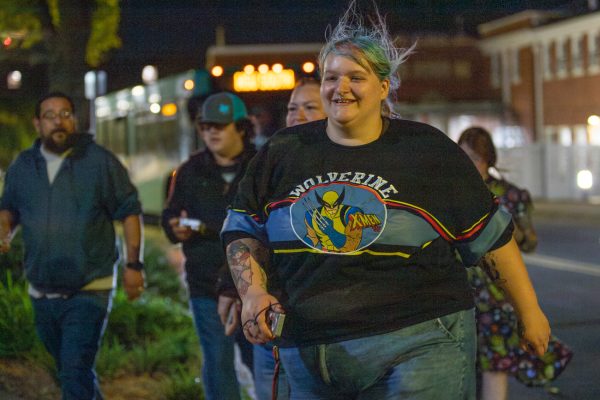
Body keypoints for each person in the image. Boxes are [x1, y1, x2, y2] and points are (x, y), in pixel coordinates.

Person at [221, 2, 551, 399]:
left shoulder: (426, 151)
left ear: (383, 87)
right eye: (331, 77)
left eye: (355, 78)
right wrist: (252, 291)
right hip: (308, 350)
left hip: (417, 345)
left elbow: (490, 239)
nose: (340, 88)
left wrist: (529, 312)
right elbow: (243, 228)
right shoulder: (282, 152)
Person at [0, 92, 144, 400]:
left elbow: (129, 211)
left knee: (74, 370)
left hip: (90, 286)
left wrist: (134, 266)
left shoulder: (99, 162)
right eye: (50, 116)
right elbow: (9, 208)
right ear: (38, 123)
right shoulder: (23, 165)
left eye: (65, 114)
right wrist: (5, 231)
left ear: (75, 120)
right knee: (72, 371)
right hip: (41, 290)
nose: (59, 121)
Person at [220, 78, 327, 400]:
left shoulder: (347, 172)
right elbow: (244, 226)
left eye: (310, 108)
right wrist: (233, 288)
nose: (298, 116)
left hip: (324, 326)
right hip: (275, 317)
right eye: (293, 109)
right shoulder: (269, 163)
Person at [161, 92, 255, 400]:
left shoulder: (262, 166)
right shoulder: (189, 171)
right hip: (207, 286)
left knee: (264, 363)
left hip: (255, 286)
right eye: (205, 126)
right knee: (217, 362)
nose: (210, 132)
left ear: (241, 128)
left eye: (219, 125)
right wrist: (175, 227)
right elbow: (170, 214)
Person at [458, 127, 554, 400]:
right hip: (458, 295)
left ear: (488, 158)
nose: (470, 164)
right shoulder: (451, 193)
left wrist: (508, 230)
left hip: (498, 298)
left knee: (495, 366)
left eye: (475, 158)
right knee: (458, 366)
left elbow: (530, 243)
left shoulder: (509, 195)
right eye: (463, 157)